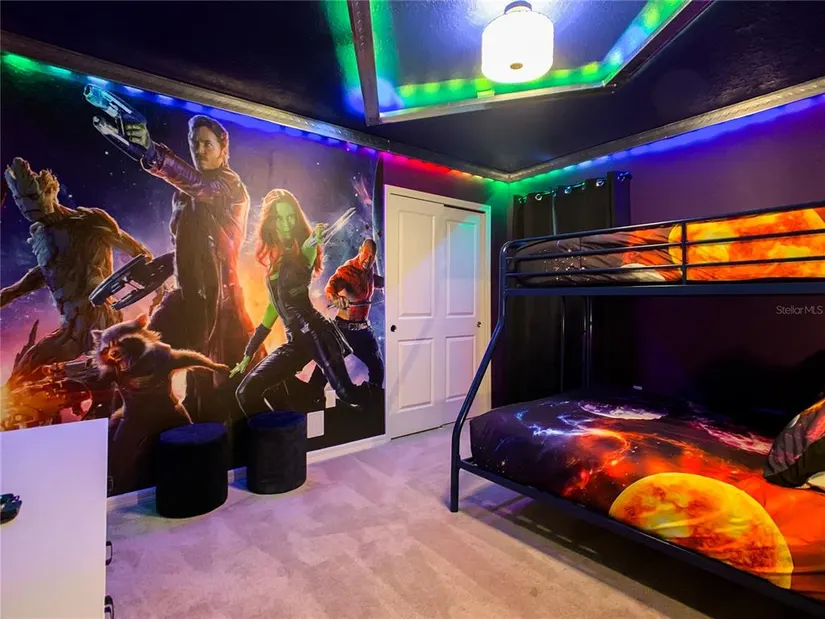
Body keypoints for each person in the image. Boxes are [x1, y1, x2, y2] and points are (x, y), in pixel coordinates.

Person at [124, 114, 257, 419]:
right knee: (143, 356)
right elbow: (187, 247)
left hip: (221, 303)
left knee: (221, 388)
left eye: (207, 144)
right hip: (186, 296)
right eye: (195, 143)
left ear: (223, 150)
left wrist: (153, 153)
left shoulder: (228, 185)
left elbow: (201, 186)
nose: (199, 150)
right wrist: (160, 266)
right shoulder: (184, 194)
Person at [1, 157, 152, 388]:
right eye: (20, 202)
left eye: (32, 197)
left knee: (112, 377)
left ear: (50, 192)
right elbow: (47, 274)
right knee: (28, 365)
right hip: (70, 327)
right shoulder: (45, 236)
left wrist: (150, 274)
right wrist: (9, 294)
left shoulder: (88, 222)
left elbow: (139, 253)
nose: (27, 207)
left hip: (101, 320)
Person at [230, 189, 372, 414]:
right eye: (280, 218)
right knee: (246, 392)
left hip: (317, 334)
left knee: (348, 394)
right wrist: (248, 353)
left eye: (291, 217)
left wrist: (314, 239)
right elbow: (271, 311)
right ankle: (274, 434)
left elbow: (309, 248)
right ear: (271, 222)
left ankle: (383, 405)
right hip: (296, 341)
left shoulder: (303, 251)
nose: (286, 224)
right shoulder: (274, 265)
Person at [310, 238, 384, 389]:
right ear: (360, 250)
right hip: (344, 331)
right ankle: (310, 396)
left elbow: (370, 281)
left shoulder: (369, 269)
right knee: (326, 370)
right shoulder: (347, 270)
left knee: (378, 370)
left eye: (372, 257)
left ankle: (370, 400)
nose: (368, 260)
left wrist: (386, 282)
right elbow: (330, 286)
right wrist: (335, 298)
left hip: (364, 331)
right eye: (366, 254)